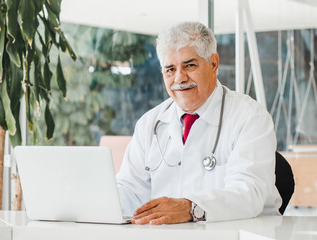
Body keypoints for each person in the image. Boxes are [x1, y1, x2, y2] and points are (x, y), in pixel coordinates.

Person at [116, 22, 281, 225]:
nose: (179, 78)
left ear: (213, 64)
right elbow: (129, 189)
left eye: (190, 65)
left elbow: (250, 193)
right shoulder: (149, 124)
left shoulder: (249, 117)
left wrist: (191, 208)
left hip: (242, 234)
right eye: (170, 69)